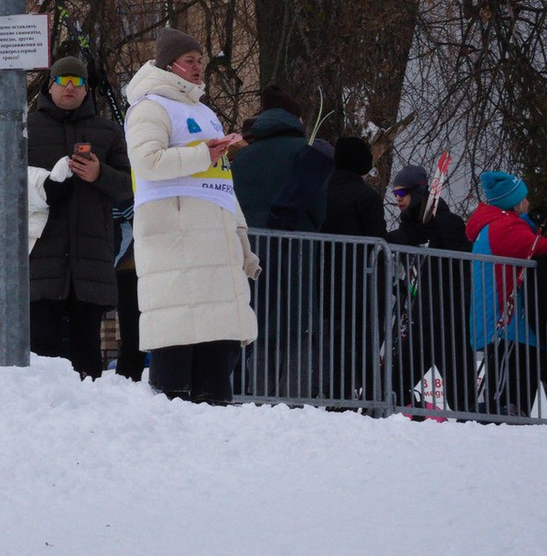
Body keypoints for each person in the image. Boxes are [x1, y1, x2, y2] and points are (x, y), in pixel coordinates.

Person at [122, 27, 256, 402]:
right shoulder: (150, 106)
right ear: (169, 65)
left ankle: (214, 408)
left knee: (219, 344)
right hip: (174, 236)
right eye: (190, 61)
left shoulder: (205, 112)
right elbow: (146, 161)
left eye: (201, 61)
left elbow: (222, 182)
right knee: (176, 335)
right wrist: (204, 154)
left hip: (213, 238)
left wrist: (241, 239)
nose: (199, 68)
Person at [27, 53, 132, 378]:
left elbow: (131, 186)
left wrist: (100, 174)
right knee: (42, 355)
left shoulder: (108, 132)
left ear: (87, 89)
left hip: (90, 261)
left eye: (77, 82)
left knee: (86, 359)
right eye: (63, 80)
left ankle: (86, 425)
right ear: (50, 85)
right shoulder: (24, 126)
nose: (69, 88)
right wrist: (43, 186)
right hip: (41, 259)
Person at [466, 170, 547, 415]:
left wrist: (533, 223)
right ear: (514, 202)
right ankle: (492, 429)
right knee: (505, 399)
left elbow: (525, 243)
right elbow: (535, 247)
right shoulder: (502, 226)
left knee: (517, 398)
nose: (529, 202)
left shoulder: (500, 225)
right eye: (525, 197)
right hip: (505, 324)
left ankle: (508, 428)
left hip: (512, 324)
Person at [388, 163, 471, 414]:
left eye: (401, 194)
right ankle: (419, 419)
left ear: (419, 192)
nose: (397, 200)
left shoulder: (449, 223)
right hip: (421, 324)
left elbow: (466, 268)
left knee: (462, 399)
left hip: (451, 325)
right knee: (392, 387)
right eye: (395, 195)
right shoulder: (408, 230)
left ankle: (481, 439)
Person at [317, 132, 386, 400]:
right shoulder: (366, 198)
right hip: (360, 282)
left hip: (325, 278)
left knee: (333, 342)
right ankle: (369, 396)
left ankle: (336, 395)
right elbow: (377, 242)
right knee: (363, 343)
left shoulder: (321, 191)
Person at [232, 90, 328, 233]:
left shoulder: (240, 156)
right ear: (294, 118)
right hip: (294, 243)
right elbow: (317, 204)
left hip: (249, 241)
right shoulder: (306, 151)